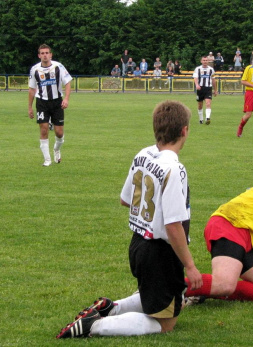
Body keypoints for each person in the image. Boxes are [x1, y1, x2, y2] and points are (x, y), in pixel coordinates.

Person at [56, 100, 202, 339]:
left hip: (138, 244)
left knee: (159, 296)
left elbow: (125, 199)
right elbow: (173, 226)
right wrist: (190, 266)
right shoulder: (175, 169)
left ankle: (110, 308)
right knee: (165, 323)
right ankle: (95, 326)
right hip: (160, 252)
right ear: (184, 130)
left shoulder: (143, 154)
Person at [28, 44, 73, 166]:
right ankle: (47, 160)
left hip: (57, 102)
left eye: (47, 53)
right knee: (44, 130)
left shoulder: (58, 66)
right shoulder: (35, 69)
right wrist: (29, 108)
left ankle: (57, 149)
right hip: (42, 102)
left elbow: (68, 82)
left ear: (51, 54)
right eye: (42, 53)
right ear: (39, 55)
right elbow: (32, 89)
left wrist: (66, 99)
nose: (45, 55)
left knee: (59, 132)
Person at [193, 56, 217, 125]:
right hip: (200, 88)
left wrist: (215, 90)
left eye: (206, 60)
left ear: (208, 61)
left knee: (208, 103)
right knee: (200, 105)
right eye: (204, 60)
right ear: (201, 61)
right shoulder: (197, 69)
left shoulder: (211, 69)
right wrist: (197, 85)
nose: (205, 61)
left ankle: (207, 118)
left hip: (208, 88)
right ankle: (201, 119)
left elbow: (213, 80)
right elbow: (195, 78)